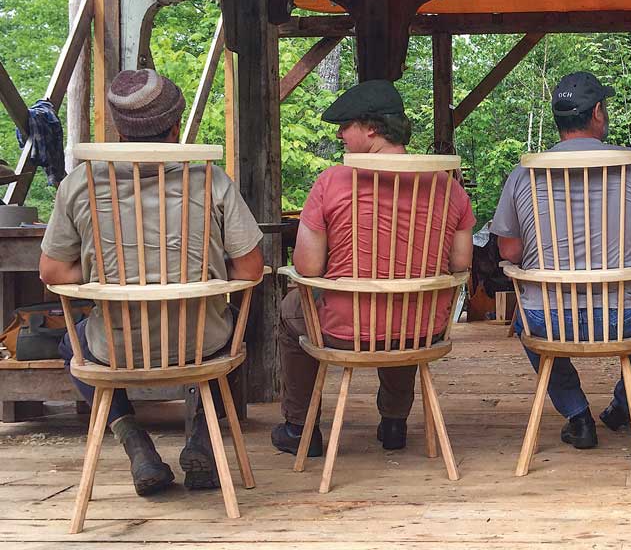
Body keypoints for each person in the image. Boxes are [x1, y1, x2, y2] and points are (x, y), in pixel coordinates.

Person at [40, 69, 265, 495]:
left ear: (120, 129)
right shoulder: (210, 180)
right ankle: (201, 435)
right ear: (176, 125)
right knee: (236, 322)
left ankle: (135, 443)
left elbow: (52, 272)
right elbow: (251, 271)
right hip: (200, 341)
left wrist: (107, 276)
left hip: (117, 346)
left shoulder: (80, 185)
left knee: (75, 344)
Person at [272, 80, 475, 456]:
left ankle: (300, 428)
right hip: (421, 330)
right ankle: (394, 422)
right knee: (403, 310)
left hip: (345, 329)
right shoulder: (447, 187)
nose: (339, 133)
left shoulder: (332, 181)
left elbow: (308, 266)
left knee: (290, 309)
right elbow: (461, 263)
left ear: (371, 128)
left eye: (346, 125)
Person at [493, 71, 631, 449]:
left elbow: (509, 253)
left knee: (526, 317)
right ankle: (629, 408)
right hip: (624, 314)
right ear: (598, 112)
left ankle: (577, 414)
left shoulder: (523, 172)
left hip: (549, 317)